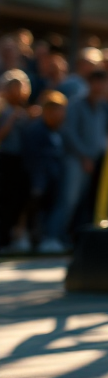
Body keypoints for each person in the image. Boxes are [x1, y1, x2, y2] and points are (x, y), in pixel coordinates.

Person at [58, 68, 108, 236]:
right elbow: (69, 133)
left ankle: (70, 237)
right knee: (68, 200)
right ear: (90, 83)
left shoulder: (103, 107)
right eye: (97, 82)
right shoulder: (76, 104)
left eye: (103, 82)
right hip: (75, 160)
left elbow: (102, 135)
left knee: (82, 202)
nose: (100, 86)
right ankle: (52, 237)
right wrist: (84, 156)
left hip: (92, 161)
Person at [22, 92, 68, 252]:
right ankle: (37, 239)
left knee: (51, 209)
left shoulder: (57, 131)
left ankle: (50, 237)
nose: (60, 114)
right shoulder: (35, 131)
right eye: (56, 110)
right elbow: (33, 160)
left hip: (53, 180)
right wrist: (38, 184)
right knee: (37, 212)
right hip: (39, 181)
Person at [0, 70, 32, 251]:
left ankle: (11, 236)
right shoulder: (3, 110)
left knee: (17, 199)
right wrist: (11, 119)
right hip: (4, 158)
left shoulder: (25, 111)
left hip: (20, 160)